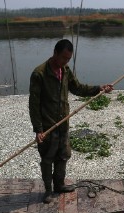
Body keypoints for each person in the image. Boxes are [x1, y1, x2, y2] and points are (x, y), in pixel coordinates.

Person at [29, 39, 113, 204]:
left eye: (68, 59)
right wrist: (38, 129)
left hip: (63, 124)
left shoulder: (65, 70)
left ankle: (59, 185)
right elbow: (33, 104)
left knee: (63, 156)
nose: (65, 62)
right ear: (55, 54)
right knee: (47, 159)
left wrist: (99, 88)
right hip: (47, 126)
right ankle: (48, 190)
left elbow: (78, 88)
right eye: (63, 58)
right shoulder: (39, 74)